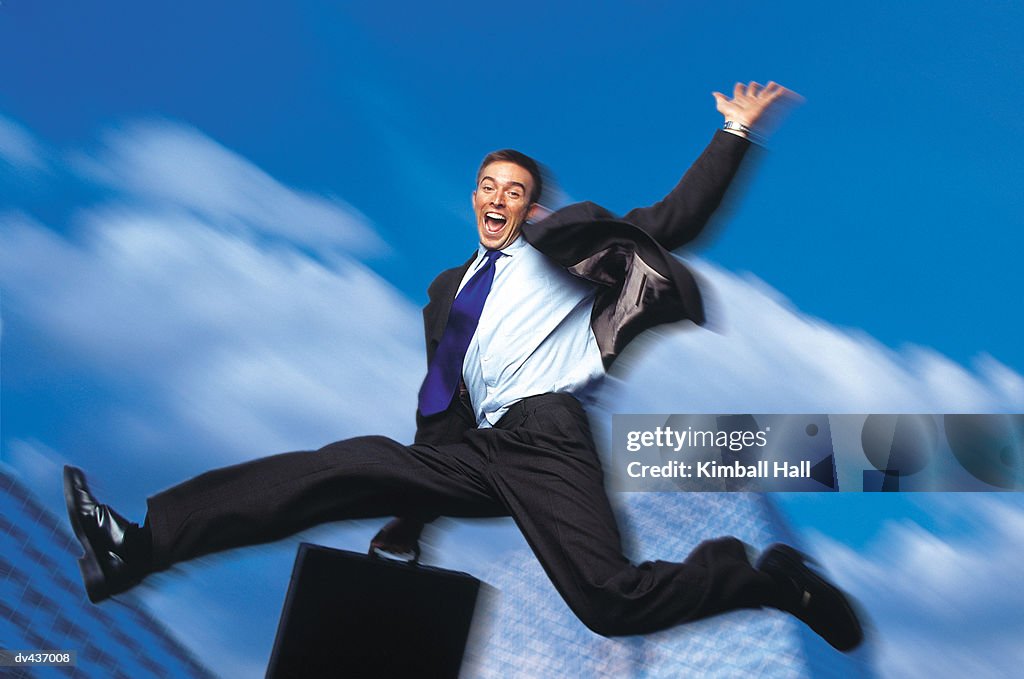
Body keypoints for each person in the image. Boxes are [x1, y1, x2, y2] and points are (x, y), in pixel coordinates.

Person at [64, 81, 863, 651]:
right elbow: (440, 406)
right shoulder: (449, 293)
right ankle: (141, 542)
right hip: (474, 452)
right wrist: (410, 517)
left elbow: (673, 222)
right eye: (487, 187)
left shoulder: (568, 247)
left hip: (549, 442)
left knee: (611, 604)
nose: (498, 200)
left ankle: (763, 579)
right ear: (475, 199)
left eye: (515, 191)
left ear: (535, 211)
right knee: (342, 466)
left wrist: (733, 134)